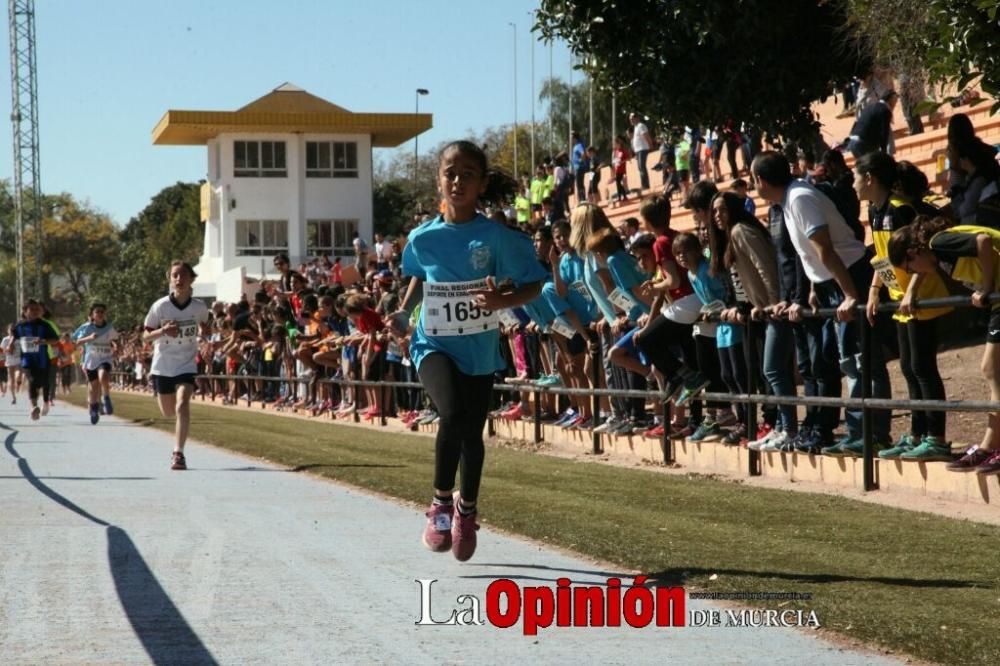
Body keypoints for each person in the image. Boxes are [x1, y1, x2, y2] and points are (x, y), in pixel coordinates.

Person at [394, 140, 546, 561]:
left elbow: (533, 283)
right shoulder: (422, 238)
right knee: (452, 414)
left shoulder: (496, 237)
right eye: (450, 173)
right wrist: (404, 313)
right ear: (438, 180)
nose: (457, 181)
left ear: (481, 184)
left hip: (478, 350)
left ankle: (468, 509)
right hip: (433, 342)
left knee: (472, 436)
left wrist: (503, 301)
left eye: (467, 174)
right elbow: (419, 280)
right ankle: (441, 503)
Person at [752, 150, 891, 456]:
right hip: (829, 282)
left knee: (861, 360)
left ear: (761, 180)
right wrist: (815, 286)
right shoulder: (787, 200)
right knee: (844, 360)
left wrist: (850, 293)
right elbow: (810, 254)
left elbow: (825, 249)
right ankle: (859, 431)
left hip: (848, 274)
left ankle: (873, 433)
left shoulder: (800, 197)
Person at [856, 152, 952, 461]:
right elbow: (883, 256)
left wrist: (912, 290)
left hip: (922, 298)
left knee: (923, 367)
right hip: (900, 301)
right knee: (909, 368)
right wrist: (874, 291)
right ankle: (917, 435)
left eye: (857, 177)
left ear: (870, 178)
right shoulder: (875, 211)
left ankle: (935, 438)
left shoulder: (900, 209)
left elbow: (919, 253)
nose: (854, 184)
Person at [888, 217, 1000, 475]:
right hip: (996, 300)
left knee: (991, 369)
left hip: (997, 295)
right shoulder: (937, 254)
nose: (914, 274)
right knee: (991, 370)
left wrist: (985, 285)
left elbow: (983, 241)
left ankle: (990, 445)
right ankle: (988, 445)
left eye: (910, 268)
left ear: (913, 252)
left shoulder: (938, 242)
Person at [142, 261, 211, 470]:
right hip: (163, 364)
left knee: (183, 405)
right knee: (169, 412)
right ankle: (159, 390)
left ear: (191, 279)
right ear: (169, 279)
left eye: (182, 275)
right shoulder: (160, 306)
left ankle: (178, 453)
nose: (178, 279)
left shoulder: (199, 307)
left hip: (186, 363)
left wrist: (206, 337)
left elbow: (205, 326)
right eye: (174, 276)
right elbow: (145, 336)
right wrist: (163, 331)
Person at [12, 299, 60, 420]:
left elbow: (55, 339)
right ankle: (34, 407)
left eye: (37, 309)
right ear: (25, 311)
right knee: (32, 380)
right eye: (32, 309)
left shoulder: (44, 325)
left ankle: (45, 402)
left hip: (43, 359)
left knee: (44, 382)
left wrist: (43, 341)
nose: (35, 312)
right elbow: (14, 337)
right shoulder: (20, 326)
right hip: (27, 360)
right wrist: (10, 344)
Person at [72, 302, 120, 424]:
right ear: (92, 315)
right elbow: (76, 342)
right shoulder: (87, 327)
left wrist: (116, 348)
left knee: (103, 375)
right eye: (97, 312)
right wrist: (89, 338)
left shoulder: (109, 327)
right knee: (93, 387)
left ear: (105, 314)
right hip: (91, 360)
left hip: (105, 358)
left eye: (102, 312)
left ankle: (106, 398)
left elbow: (115, 340)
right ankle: (94, 409)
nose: (99, 314)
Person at [848, 90, 898, 158]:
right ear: (890, 100)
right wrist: (884, 154)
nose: (895, 104)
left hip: (852, 142)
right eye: (895, 101)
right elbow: (884, 133)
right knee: (875, 165)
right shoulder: (885, 110)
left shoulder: (870, 106)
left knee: (866, 166)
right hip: (863, 144)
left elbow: (857, 122)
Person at [630, 113, 653, 190]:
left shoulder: (641, 126)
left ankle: (645, 185)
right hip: (638, 150)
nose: (631, 120)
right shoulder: (635, 127)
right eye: (630, 119)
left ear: (637, 118)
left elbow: (646, 135)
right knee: (640, 167)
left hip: (642, 149)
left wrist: (650, 145)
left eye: (633, 118)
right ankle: (644, 184)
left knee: (642, 167)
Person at [2, 323, 23, 404]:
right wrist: (7, 349)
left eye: (13, 330)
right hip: (9, 361)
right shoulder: (5, 339)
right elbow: (2, 350)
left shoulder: (20, 339)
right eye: (10, 330)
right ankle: (14, 397)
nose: (12, 331)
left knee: (18, 376)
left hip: (18, 360)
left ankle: (18, 382)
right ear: (8, 331)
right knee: (11, 380)